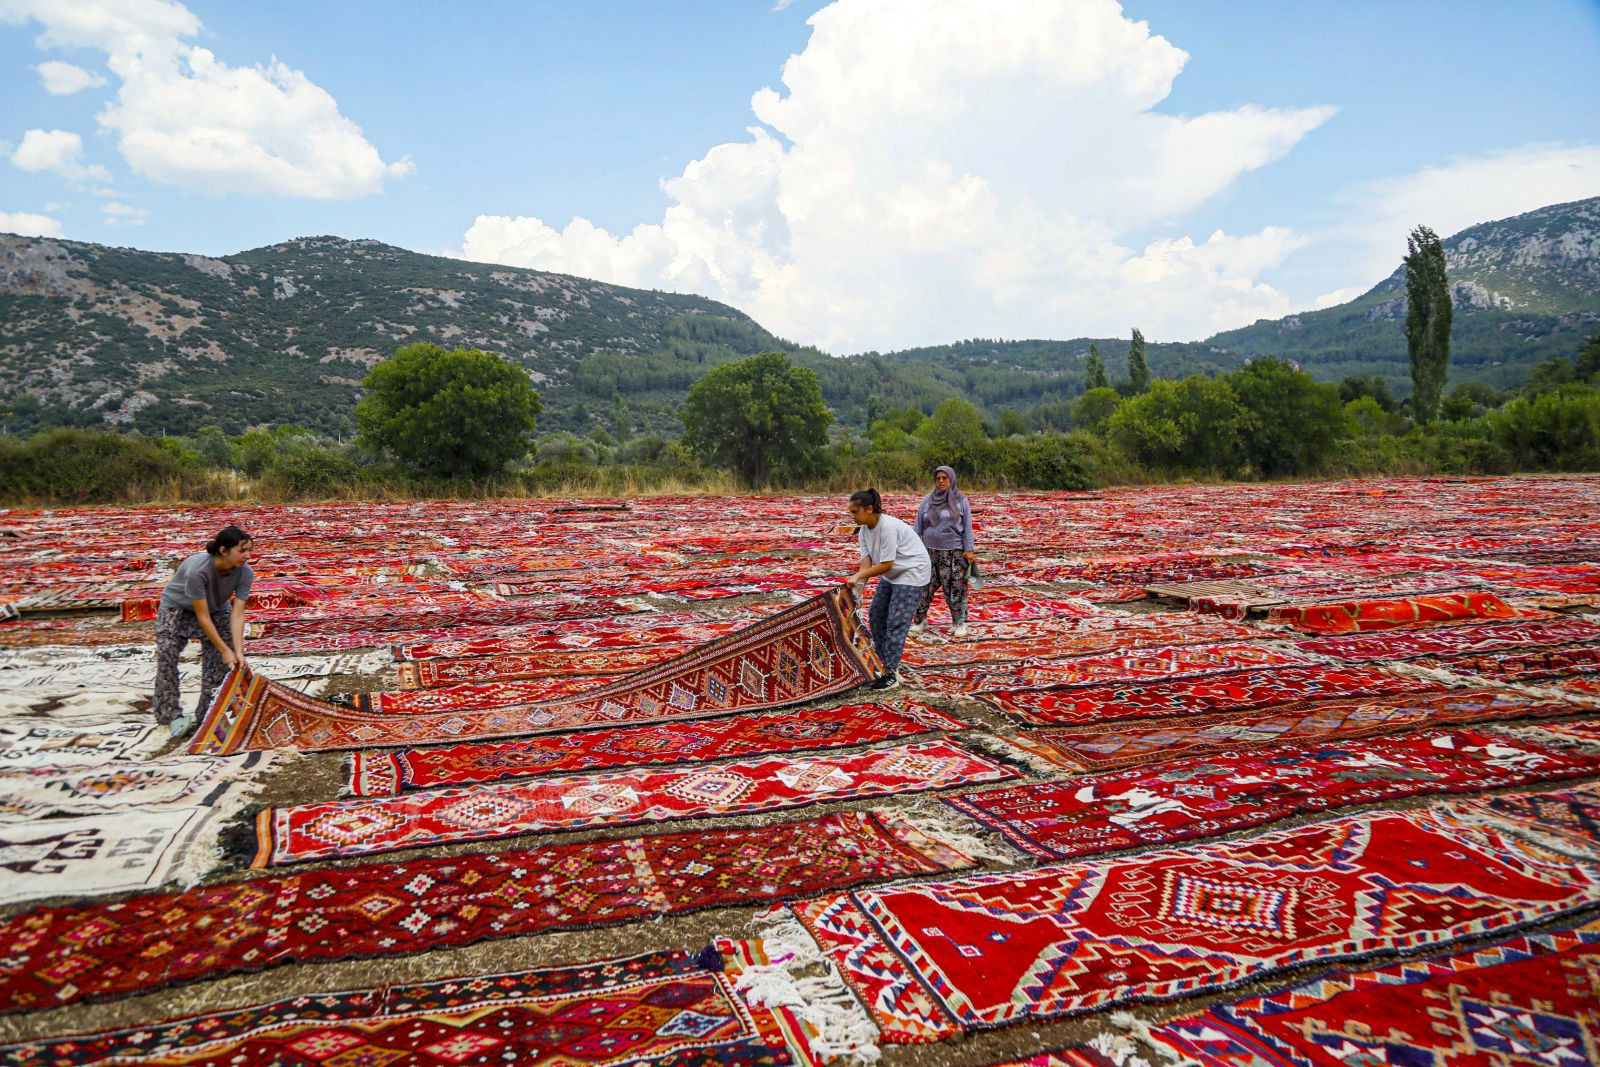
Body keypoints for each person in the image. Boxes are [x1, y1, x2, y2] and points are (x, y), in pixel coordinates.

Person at [153, 525, 254, 739]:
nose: (247, 556)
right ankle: (169, 714)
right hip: (178, 608)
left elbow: (237, 614)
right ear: (223, 550)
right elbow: (202, 617)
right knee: (167, 654)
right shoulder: (198, 570)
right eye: (242, 550)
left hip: (216, 609)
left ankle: (208, 713)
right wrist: (224, 648)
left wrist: (237, 650)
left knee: (220, 662)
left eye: (249, 550)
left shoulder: (245, 572)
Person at [845, 488, 930, 691]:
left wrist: (858, 576)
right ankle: (882, 663)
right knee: (876, 614)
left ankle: (891, 671)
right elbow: (866, 564)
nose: (852, 516)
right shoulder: (864, 530)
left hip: (912, 571)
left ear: (869, 509)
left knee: (896, 621)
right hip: (894, 574)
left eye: (855, 512)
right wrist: (858, 589)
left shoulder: (887, 527)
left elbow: (886, 564)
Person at [911, 465, 976, 638]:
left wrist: (968, 549)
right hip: (929, 551)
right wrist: (913, 548)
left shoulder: (961, 500)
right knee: (924, 587)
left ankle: (959, 623)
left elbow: (967, 527)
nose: (941, 481)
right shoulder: (928, 500)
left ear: (951, 479)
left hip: (953, 552)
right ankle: (919, 620)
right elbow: (919, 524)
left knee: (956, 588)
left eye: (944, 478)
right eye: (938, 478)